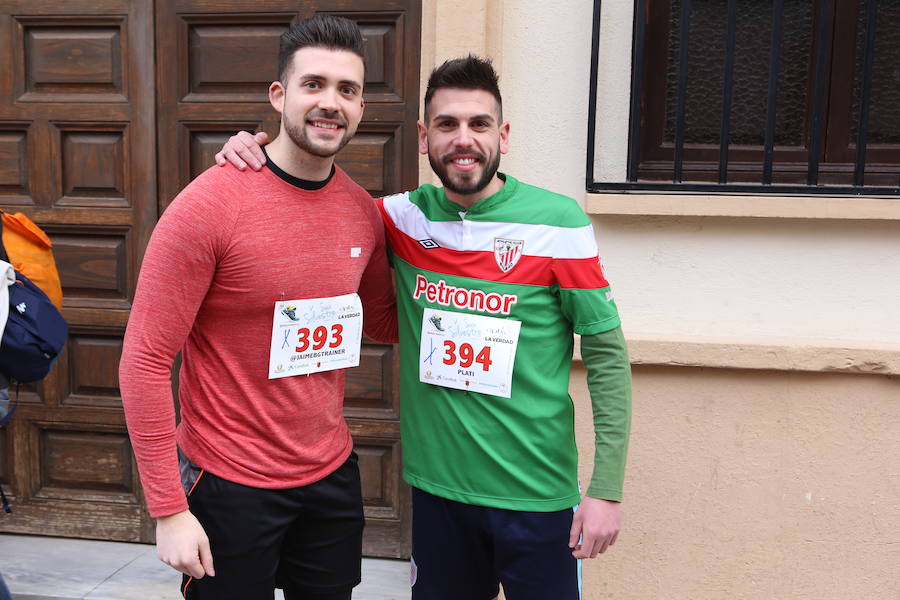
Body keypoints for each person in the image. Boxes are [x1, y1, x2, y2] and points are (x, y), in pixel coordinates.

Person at [217, 55, 632, 600]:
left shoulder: (558, 224)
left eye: (479, 124)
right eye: (447, 124)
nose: (464, 140)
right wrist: (253, 151)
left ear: (502, 135)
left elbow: (606, 357)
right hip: (439, 498)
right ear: (423, 136)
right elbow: (315, 200)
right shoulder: (398, 217)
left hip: (537, 498)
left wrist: (605, 491)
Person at [119, 15, 396, 600]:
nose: (331, 103)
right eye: (313, 85)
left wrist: (493, 296)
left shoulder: (361, 212)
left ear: (362, 107)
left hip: (330, 476)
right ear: (279, 96)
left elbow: (386, 320)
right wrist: (168, 510)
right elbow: (144, 360)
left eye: (347, 90)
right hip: (228, 482)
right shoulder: (211, 205)